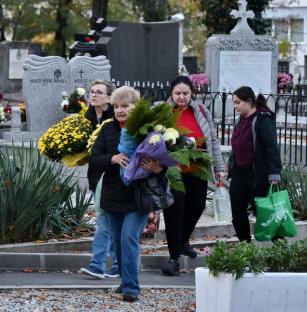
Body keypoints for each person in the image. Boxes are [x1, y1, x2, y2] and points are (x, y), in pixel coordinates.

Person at [89, 86, 162, 302]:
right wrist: (113, 158)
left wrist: (157, 168)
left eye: (125, 106)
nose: (120, 110)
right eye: (117, 106)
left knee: (129, 238)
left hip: (138, 197)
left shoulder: (147, 130)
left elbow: (164, 161)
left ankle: (131, 288)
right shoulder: (107, 129)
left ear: (135, 107)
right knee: (118, 242)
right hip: (113, 196)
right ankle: (124, 280)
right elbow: (94, 159)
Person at [158, 75, 224, 276]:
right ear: (171, 93)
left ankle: (183, 240)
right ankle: (174, 258)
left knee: (197, 207)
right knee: (174, 213)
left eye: (185, 93)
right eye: (177, 93)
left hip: (198, 170)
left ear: (191, 93)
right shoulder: (161, 111)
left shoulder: (201, 111)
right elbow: (152, 139)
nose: (181, 97)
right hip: (173, 172)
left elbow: (212, 140)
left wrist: (219, 167)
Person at [228, 86, 282, 242]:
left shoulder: (262, 120)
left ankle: (279, 247)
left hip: (258, 175)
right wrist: (230, 163)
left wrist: (274, 172)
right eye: (234, 103)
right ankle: (245, 244)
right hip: (240, 172)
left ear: (249, 101)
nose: (235, 106)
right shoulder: (240, 121)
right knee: (237, 210)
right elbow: (237, 144)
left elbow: (272, 147)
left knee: (265, 212)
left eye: (238, 102)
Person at [80, 80, 119, 280]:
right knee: (108, 222)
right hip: (97, 175)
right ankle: (116, 265)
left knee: (105, 221)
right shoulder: (85, 118)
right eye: (92, 92)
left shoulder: (115, 118)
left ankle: (98, 264)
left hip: (113, 176)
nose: (93, 95)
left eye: (99, 92)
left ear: (109, 97)